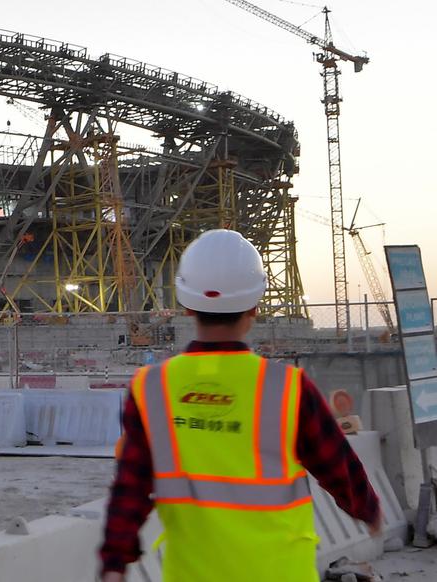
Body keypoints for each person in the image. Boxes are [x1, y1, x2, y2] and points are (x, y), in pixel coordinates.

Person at [99, 229, 382, 581]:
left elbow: (131, 486)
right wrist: (368, 509)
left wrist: (115, 560)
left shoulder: (151, 388)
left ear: (186, 306)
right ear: (255, 307)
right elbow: (336, 463)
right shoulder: (288, 388)